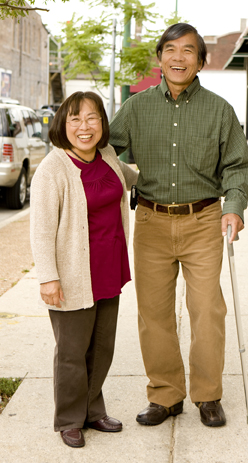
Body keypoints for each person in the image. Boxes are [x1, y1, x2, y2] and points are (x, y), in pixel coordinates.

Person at [109, 23, 248, 428]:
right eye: (170, 50)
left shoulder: (219, 110)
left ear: (201, 61)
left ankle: (208, 395)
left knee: (207, 309)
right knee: (152, 312)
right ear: (159, 58)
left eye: (188, 51)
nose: (178, 57)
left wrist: (234, 207)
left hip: (204, 219)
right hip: (152, 222)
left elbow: (238, 165)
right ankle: (166, 395)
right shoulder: (136, 108)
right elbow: (103, 150)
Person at [30, 91, 138, 448]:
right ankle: (69, 419)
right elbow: (42, 229)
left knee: (102, 347)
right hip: (74, 273)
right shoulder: (53, 169)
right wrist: (48, 277)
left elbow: (131, 180)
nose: (84, 126)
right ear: (63, 124)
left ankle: (93, 410)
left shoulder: (107, 156)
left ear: (102, 124)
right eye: (75, 119)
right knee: (72, 352)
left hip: (109, 267)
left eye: (92, 118)